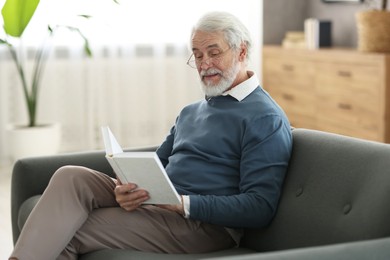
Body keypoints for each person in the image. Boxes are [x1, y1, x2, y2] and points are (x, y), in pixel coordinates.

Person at [9, 11, 292, 260]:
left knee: (67, 229)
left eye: (214, 52)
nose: (204, 63)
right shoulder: (191, 111)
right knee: (70, 176)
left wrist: (183, 204)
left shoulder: (264, 118)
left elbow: (259, 206)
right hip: (159, 202)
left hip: (203, 226)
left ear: (241, 52)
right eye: (197, 54)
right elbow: (155, 164)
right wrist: (128, 187)